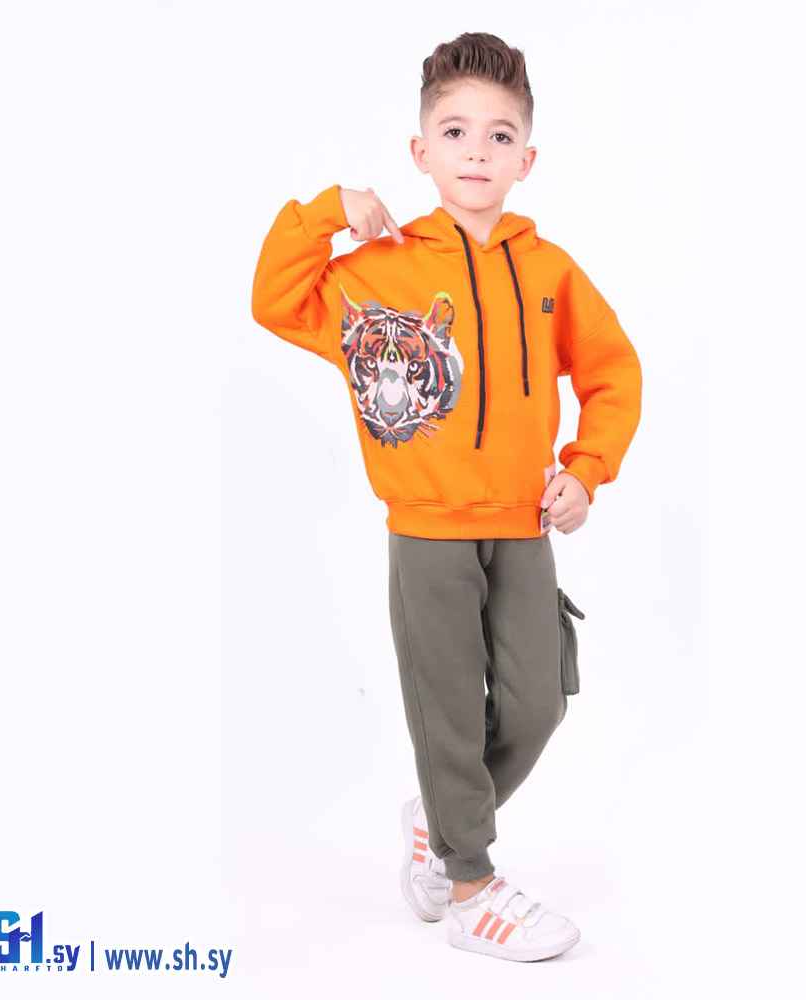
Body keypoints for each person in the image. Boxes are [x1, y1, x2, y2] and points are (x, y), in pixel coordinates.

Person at [250, 31, 642, 962]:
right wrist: (329, 212)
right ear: (421, 151)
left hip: (524, 525)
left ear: (526, 160)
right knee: (451, 715)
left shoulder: (550, 271)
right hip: (426, 531)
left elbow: (613, 373)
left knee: (539, 704)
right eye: (456, 132)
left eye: (500, 136)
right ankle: (470, 889)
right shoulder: (379, 270)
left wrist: (586, 469)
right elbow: (274, 300)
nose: (477, 151)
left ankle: (439, 817)